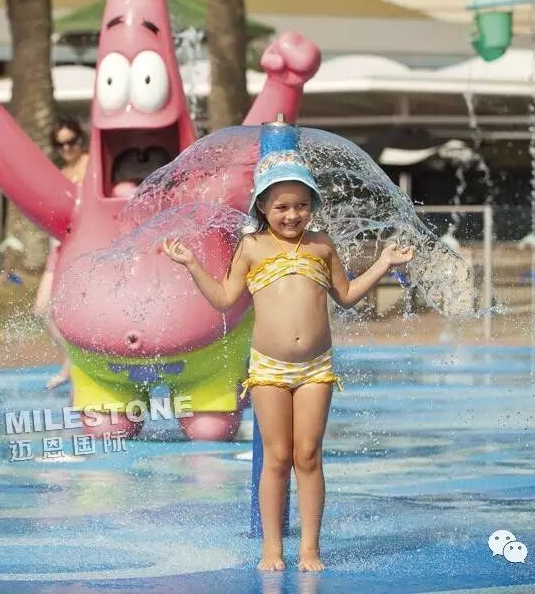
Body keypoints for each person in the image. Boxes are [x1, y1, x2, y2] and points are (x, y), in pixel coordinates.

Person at [163, 122, 413, 572]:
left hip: (316, 368)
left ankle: (310, 548)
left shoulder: (321, 246)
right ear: (262, 205)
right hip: (269, 369)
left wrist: (384, 263)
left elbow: (346, 296)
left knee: (308, 456)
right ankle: (272, 547)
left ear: (312, 205)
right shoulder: (252, 247)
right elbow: (224, 298)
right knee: (277, 458)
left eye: (301, 205)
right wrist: (191, 263)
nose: (292, 215)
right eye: (281, 206)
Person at [40, 118, 89, 390]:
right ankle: (75, 359)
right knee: (43, 309)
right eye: (61, 145)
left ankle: (76, 364)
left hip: (86, 245)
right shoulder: (61, 172)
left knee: (82, 308)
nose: (67, 148)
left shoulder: (91, 164)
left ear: (81, 139)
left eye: (72, 142)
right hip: (60, 246)